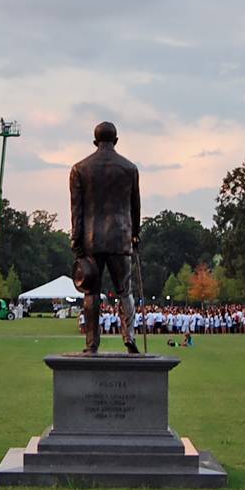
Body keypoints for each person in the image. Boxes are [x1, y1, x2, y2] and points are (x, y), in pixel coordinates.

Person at [70, 121, 141, 355]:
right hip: (120, 237)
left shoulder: (80, 169)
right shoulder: (129, 169)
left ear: (94, 141)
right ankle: (129, 336)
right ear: (116, 141)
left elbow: (77, 211)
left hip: (92, 239)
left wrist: (76, 241)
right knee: (125, 291)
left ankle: (92, 344)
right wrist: (135, 234)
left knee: (91, 293)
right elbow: (134, 207)